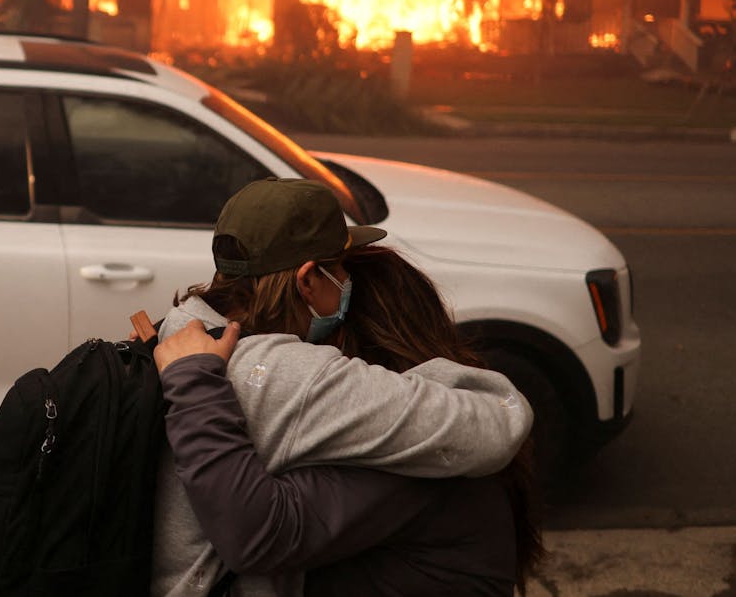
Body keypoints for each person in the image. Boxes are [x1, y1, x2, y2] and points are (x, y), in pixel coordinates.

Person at [149, 178, 538, 597]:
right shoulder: (298, 376)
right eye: (340, 268)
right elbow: (500, 417)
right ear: (307, 280)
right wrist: (400, 387)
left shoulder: (178, 332)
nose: (345, 281)